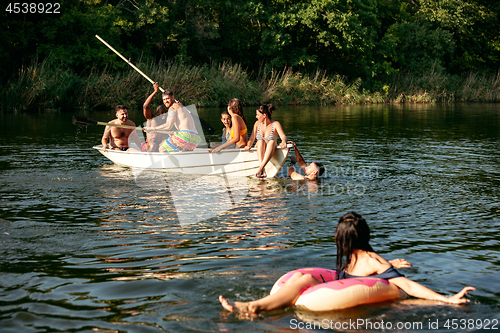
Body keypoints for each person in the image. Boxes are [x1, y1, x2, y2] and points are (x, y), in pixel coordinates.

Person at [219, 212, 475, 315]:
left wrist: (446, 299)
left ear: (344, 239)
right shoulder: (355, 257)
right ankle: (258, 305)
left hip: (373, 297)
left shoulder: (370, 259)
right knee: (300, 279)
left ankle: (254, 306)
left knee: (305, 280)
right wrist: (391, 263)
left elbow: (407, 284)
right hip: (340, 290)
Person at [145, 85, 201, 152]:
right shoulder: (182, 107)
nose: (166, 101)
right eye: (164, 100)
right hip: (195, 138)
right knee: (182, 150)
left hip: (185, 136)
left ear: (172, 97)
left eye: (167, 99)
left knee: (162, 149)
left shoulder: (173, 108)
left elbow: (168, 126)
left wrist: (152, 129)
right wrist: (176, 133)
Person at [244, 104, 287, 178]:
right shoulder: (257, 124)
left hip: (271, 149)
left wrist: (283, 141)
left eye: (258, 115)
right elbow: (251, 139)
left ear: (264, 115)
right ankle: (262, 169)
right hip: (260, 150)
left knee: (272, 141)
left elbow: (283, 136)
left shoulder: (275, 124)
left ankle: (260, 168)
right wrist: (248, 145)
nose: (256, 117)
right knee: (260, 141)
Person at [142, 82, 168, 152]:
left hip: (158, 145)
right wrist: (155, 91)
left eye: (165, 113)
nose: (164, 114)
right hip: (149, 146)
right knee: (153, 145)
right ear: (157, 113)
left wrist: (180, 106)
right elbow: (145, 106)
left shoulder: (166, 121)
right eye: (162, 112)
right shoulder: (151, 118)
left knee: (170, 142)